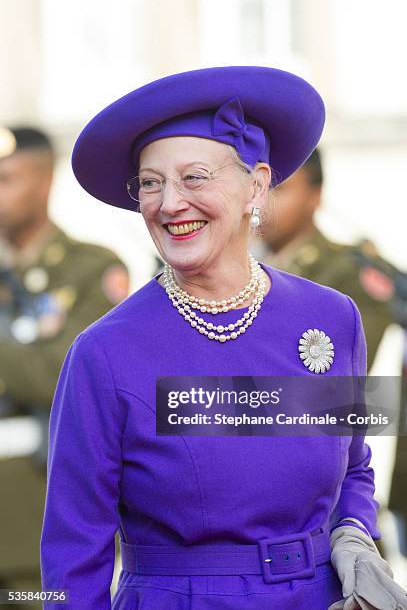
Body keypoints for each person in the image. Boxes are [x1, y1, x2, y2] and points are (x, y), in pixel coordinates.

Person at [40, 66, 407, 609]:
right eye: (150, 182)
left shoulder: (333, 317)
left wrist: (353, 534)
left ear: (256, 184)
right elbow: (72, 558)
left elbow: (353, 466)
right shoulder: (104, 352)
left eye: (194, 177)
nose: (169, 203)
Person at [0, 126, 129, 608]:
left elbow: (68, 376)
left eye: (7, 178)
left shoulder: (90, 269)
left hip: (40, 522)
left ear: (44, 181)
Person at [251, 148, 394, 372]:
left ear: (315, 196)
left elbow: (338, 371)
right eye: (258, 188)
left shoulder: (351, 271)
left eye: (278, 189)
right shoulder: (241, 265)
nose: (263, 201)